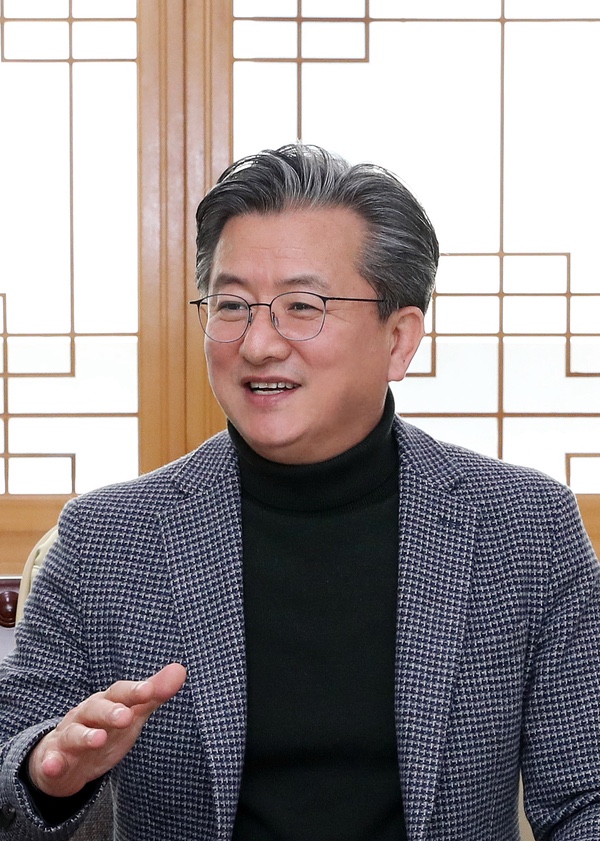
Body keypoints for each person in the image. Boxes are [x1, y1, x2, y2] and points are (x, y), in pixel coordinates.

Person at [0, 143, 599, 841]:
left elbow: (586, 797)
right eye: (232, 305)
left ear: (399, 339)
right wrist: (46, 773)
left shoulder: (526, 528)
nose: (258, 344)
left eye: (302, 306)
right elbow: (14, 759)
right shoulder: (105, 537)